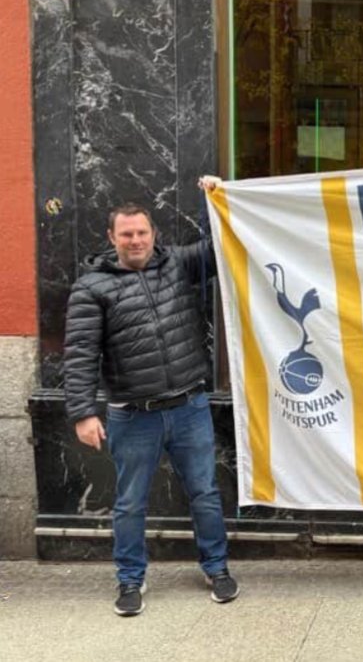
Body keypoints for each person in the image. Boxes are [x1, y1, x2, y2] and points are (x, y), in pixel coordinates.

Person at [62, 176, 239, 617]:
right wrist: (83, 412)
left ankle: (217, 569)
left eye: (142, 232)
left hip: (189, 406)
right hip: (132, 415)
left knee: (205, 493)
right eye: (127, 234)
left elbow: (225, 247)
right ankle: (129, 581)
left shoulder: (178, 264)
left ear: (153, 233)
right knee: (129, 503)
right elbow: (80, 354)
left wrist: (219, 196)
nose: (135, 240)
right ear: (112, 237)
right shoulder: (92, 288)